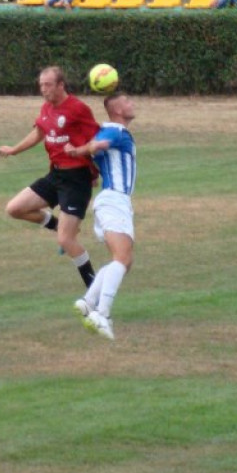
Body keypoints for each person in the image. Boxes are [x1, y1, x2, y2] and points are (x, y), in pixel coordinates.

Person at [0, 66, 98, 289]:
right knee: (14, 208)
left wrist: (94, 171)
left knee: (66, 240)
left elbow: (97, 141)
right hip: (56, 174)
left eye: (48, 85)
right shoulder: (46, 108)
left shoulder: (78, 108)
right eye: (41, 85)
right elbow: (39, 133)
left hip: (77, 179)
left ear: (61, 85)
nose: (43, 90)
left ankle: (95, 290)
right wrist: (14, 150)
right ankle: (57, 224)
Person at [66, 93, 137, 341]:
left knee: (124, 262)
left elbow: (93, 149)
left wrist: (80, 151)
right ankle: (101, 314)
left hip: (113, 201)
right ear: (116, 109)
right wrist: (82, 150)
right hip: (114, 200)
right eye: (126, 101)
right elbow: (97, 146)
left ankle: (88, 302)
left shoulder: (106, 130)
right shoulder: (115, 131)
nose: (132, 103)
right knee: (122, 258)